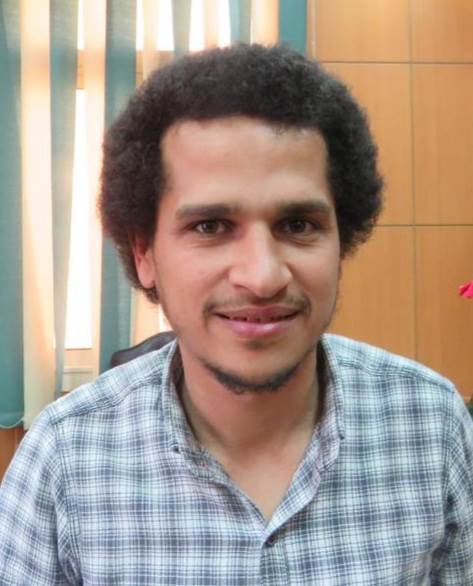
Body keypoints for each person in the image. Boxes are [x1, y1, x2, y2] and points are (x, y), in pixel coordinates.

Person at [1, 44, 472, 585]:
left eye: (298, 225)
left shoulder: (432, 425)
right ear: (145, 254)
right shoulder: (63, 457)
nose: (263, 276)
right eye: (210, 227)